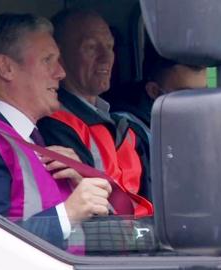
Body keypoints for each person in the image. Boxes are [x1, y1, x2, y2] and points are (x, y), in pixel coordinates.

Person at [0, 13, 113, 251]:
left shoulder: (35, 138)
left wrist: (83, 182)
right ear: (6, 67)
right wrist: (67, 214)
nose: (61, 72)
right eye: (48, 60)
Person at [37, 9, 153, 216]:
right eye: (91, 47)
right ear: (59, 57)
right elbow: (92, 212)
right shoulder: (54, 125)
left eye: (110, 46)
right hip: (108, 242)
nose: (106, 57)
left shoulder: (122, 121)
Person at [113, 54, 208, 141]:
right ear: (154, 91)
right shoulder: (127, 131)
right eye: (185, 95)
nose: (197, 103)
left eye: (202, 93)